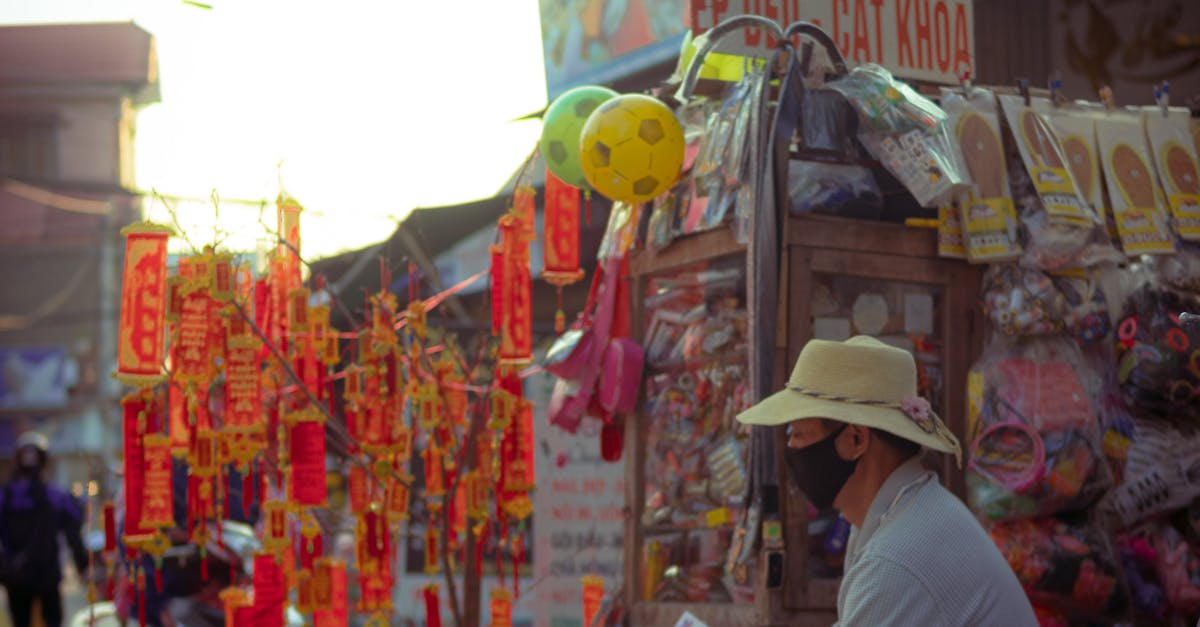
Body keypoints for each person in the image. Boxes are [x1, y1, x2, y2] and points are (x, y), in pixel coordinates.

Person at [737, 336, 1036, 626]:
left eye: (799, 434)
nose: (791, 449)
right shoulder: (900, 517)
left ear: (855, 439)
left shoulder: (896, 559)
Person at [0, 431, 89, 627]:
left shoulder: (5, 496)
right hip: (45, 576)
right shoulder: (56, 496)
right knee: (53, 621)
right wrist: (83, 567)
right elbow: (73, 532)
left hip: (16, 577)